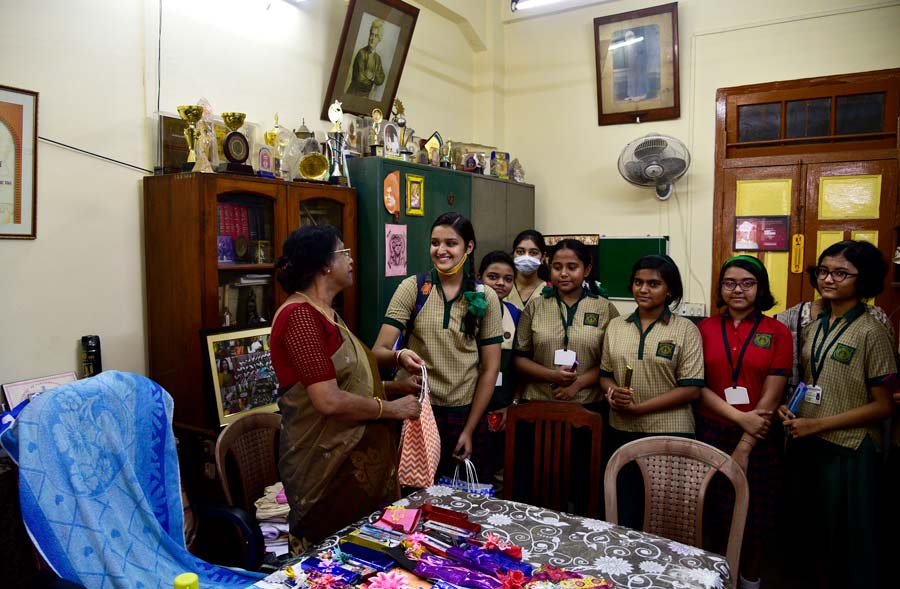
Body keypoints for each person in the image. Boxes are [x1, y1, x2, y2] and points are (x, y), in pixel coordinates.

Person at [270, 225, 421, 553]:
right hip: (325, 471)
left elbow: (348, 381)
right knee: (332, 562)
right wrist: (391, 409)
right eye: (344, 252)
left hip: (354, 462)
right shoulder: (300, 318)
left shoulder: (327, 314)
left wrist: (395, 387)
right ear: (325, 264)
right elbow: (327, 400)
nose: (351, 259)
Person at [777, 240, 895, 588]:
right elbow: (813, 381)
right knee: (812, 538)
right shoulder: (814, 326)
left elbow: (884, 405)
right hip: (810, 443)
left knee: (850, 543)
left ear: (864, 279)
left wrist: (819, 424)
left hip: (850, 450)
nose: (829, 279)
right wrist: (791, 407)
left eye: (841, 273)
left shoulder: (871, 331)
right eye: (824, 271)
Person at [374, 213, 502, 483]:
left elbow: (490, 369)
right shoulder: (414, 287)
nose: (441, 250)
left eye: (451, 243)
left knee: (465, 505)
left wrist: (469, 429)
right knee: (413, 497)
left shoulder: (485, 295)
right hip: (417, 412)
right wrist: (399, 356)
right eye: (435, 242)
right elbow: (378, 352)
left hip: (465, 413)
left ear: (469, 247)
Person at [695, 255, 792, 589]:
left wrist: (746, 444)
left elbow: (773, 392)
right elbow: (697, 385)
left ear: (760, 288)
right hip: (711, 430)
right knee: (712, 514)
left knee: (755, 518)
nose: (737, 290)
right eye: (729, 283)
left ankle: (749, 581)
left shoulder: (777, 331)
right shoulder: (703, 328)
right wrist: (739, 417)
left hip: (760, 436)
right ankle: (712, 580)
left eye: (747, 283)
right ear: (721, 288)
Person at [600, 254, 704, 528]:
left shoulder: (686, 330)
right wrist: (612, 394)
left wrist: (638, 408)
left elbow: (692, 388)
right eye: (638, 282)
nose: (643, 289)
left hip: (670, 431)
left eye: (653, 284)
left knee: (665, 512)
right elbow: (605, 375)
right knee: (624, 508)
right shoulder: (616, 326)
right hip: (621, 430)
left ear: (669, 289)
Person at [514, 239, 619, 405]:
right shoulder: (535, 307)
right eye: (557, 267)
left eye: (572, 267)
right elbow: (519, 359)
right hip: (538, 401)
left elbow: (611, 363)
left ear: (587, 270)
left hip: (589, 402)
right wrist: (552, 375)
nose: (563, 273)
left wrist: (577, 384)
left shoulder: (605, 308)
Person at [477, 250, 521, 489]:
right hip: (466, 403)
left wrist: (511, 404)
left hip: (501, 407)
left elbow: (517, 365)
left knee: (495, 472)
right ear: (479, 277)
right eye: (492, 277)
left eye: (508, 279)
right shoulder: (468, 308)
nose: (500, 283)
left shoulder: (515, 314)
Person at [507, 229, 549, 310]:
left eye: (533, 253)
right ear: (513, 254)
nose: (526, 257)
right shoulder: (503, 287)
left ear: (543, 257)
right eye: (520, 252)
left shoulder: (550, 290)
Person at [346, 19, 386, 97]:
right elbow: (360, 78)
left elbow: (381, 79)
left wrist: (372, 77)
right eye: (371, 34)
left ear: (379, 39)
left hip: (366, 96)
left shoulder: (378, 58)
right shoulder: (361, 53)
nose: (372, 38)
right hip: (353, 94)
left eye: (376, 36)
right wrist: (375, 79)